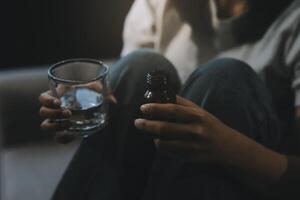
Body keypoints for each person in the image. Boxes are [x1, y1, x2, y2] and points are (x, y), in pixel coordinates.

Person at [38, 0, 300, 199]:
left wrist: (228, 147)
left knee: (224, 78)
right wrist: (86, 101)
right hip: (150, 173)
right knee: (140, 65)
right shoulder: (160, 5)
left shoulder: (291, 20)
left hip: (251, 174)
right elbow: (126, 90)